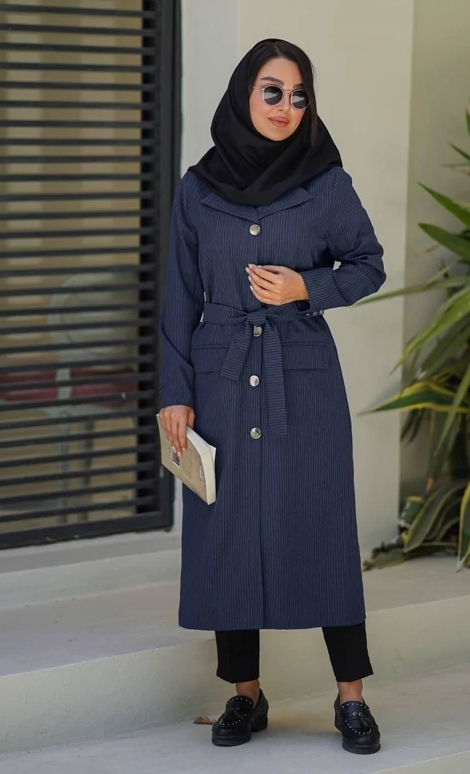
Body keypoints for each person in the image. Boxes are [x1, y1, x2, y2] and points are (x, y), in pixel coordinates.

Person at [158, 38, 386, 755]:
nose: (287, 106)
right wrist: (175, 392)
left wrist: (304, 287)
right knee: (228, 532)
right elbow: (179, 296)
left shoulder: (326, 183)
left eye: (298, 95)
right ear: (243, 95)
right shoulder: (198, 189)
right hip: (221, 379)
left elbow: (369, 264)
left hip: (304, 378)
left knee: (323, 527)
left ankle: (351, 698)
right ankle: (245, 694)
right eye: (272, 91)